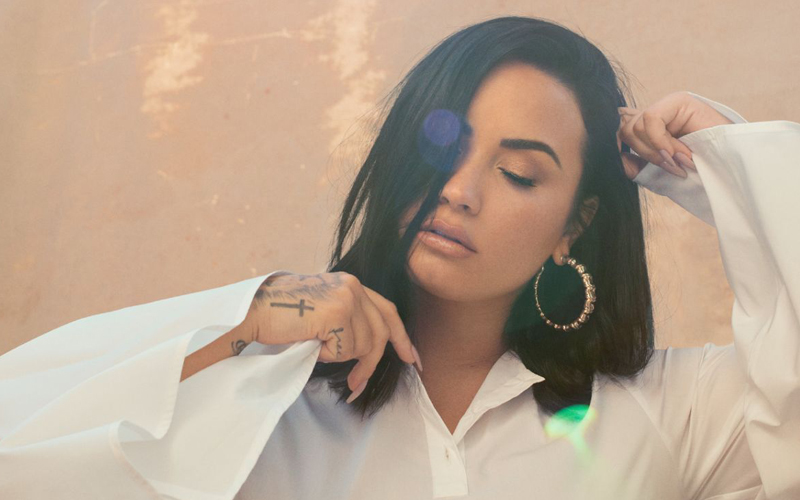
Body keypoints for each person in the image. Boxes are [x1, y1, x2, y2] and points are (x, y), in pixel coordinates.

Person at [1, 15, 798, 500]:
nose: (459, 190)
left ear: (575, 224)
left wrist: (723, 159)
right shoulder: (266, 408)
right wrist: (246, 318)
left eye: (519, 174)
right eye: (442, 145)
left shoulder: (672, 413)